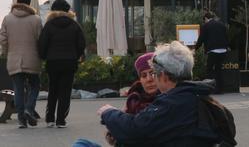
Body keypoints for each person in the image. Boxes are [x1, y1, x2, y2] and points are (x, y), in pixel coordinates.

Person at [85, 41, 221, 147]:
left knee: (82, 145)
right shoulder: (198, 97)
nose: (152, 79)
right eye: (144, 75)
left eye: (154, 74)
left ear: (163, 76)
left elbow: (135, 129)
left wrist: (108, 113)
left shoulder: (171, 104)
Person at [37, 0, 85, 128]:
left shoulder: (49, 25)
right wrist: (76, 55)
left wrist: (45, 56)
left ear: (53, 11)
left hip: (53, 62)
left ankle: (50, 119)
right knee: (65, 91)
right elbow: (81, 43)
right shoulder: (74, 25)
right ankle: (61, 120)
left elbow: (42, 44)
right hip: (69, 61)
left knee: (53, 90)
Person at [0, 0, 42, 129]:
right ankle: (29, 109)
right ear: (29, 4)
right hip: (32, 59)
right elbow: (40, 40)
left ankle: (21, 120)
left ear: (17, 2)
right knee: (35, 85)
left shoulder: (7, 19)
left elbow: (3, 40)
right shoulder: (36, 19)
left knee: (18, 88)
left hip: (14, 59)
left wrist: (8, 53)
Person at [196, 11, 230, 94]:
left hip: (213, 51)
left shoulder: (206, 26)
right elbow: (226, 37)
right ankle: (220, 89)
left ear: (206, 18)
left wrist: (195, 48)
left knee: (209, 70)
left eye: (204, 20)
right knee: (219, 69)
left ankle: (209, 88)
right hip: (223, 50)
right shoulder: (221, 24)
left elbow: (201, 39)